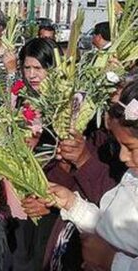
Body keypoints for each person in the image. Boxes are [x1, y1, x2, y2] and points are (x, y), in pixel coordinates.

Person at [10, 38, 116, 271]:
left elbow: (76, 163)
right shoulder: (24, 105)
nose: (31, 75)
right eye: (27, 68)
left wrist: (47, 200)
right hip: (31, 203)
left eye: (38, 68)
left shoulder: (73, 109)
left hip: (61, 207)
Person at [49, 79, 138, 270]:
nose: (123, 156)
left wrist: (111, 260)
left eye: (130, 147)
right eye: (120, 146)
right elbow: (109, 224)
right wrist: (73, 204)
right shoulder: (132, 176)